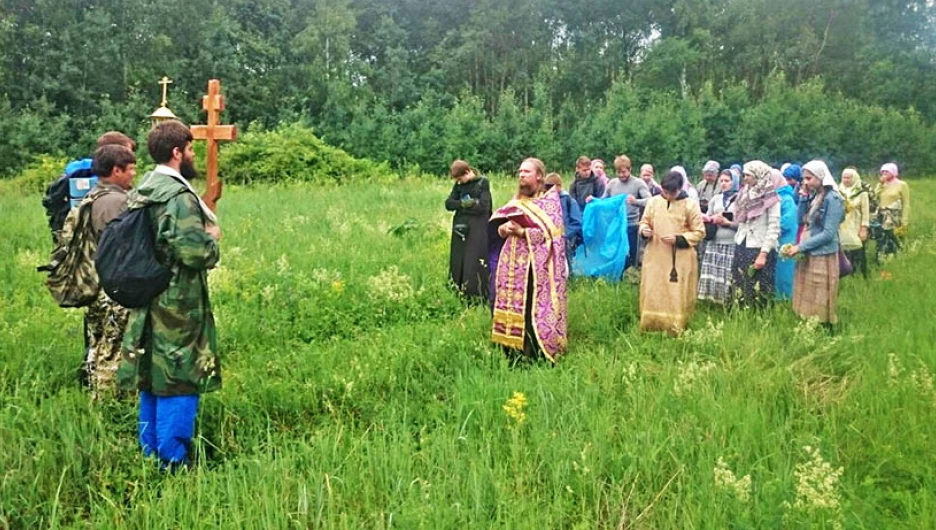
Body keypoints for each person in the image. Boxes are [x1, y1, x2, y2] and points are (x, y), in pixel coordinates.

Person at [118, 120, 222, 470]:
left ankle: (149, 452)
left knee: (152, 373)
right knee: (180, 374)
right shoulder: (177, 196)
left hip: (147, 293)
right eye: (190, 149)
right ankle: (173, 462)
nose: (193, 155)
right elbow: (193, 253)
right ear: (177, 152)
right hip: (177, 301)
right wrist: (213, 241)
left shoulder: (144, 187)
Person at [489, 158, 568, 363]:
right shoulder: (517, 201)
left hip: (535, 266)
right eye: (520, 172)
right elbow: (499, 228)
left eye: (527, 172)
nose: (521, 175)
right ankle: (511, 351)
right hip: (511, 264)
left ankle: (534, 352)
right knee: (510, 305)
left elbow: (553, 236)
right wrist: (504, 229)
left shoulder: (549, 203)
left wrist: (523, 231)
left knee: (529, 306)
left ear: (539, 175)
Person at [83, 144, 137, 398]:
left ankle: (93, 391)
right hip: (114, 287)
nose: (133, 175)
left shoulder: (93, 196)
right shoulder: (117, 202)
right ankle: (107, 406)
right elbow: (126, 245)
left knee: (97, 343)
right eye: (130, 170)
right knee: (113, 348)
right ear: (116, 170)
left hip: (94, 284)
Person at [638, 171, 706, 334]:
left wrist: (679, 238)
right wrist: (644, 230)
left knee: (676, 292)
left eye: (671, 192)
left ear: (679, 189)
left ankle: (675, 326)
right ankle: (651, 324)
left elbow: (699, 232)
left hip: (679, 259)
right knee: (653, 288)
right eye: (665, 191)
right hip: (655, 254)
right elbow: (644, 222)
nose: (667, 195)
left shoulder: (690, 205)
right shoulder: (653, 202)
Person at [785, 160, 845, 327]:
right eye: (804, 179)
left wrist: (800, 247)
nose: (805, 182)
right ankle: (807, 323)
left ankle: (824, 327)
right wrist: (803, 198)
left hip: (823, 253)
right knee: (807, 290)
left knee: (820, 293)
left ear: (820, 177)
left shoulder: (833, 199)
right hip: (809, 249)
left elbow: (828, 233)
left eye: (809, 178)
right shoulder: (814, 195)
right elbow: (801, 220)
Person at [729, 161, 780, 308]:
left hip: (759, 247)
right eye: (744, 175)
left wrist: (763, 254)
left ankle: (758, 318)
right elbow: (740, 220)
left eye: (748, 175)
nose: (745, 178)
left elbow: (773, 227)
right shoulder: (744, 194)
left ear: (758, 175)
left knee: (759, 287)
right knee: (739, 282)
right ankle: (738, 313)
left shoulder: (771, 198)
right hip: (742, 243)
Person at [445, 160, 492, 301]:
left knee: (474, 260)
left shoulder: (482, 183)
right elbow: (449, 204)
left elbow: (483, 207)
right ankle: (457, 289)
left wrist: (462, 206)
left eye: (460, 178)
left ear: (467, 172)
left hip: (478, 228)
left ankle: (476, 294)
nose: (459, 182)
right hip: (461, 228)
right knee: (458, 259)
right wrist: (466, 203)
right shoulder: (459, 185)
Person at [602, 155, 652, 269]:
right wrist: (593, 201)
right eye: (618, 172)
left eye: (624, 172)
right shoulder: (612, 183)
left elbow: (650, 200)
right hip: (616, 225)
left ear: (630, 169)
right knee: (615, 252)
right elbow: (603, 201)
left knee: (631, 254)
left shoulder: (638, 183)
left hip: (632, 225)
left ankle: (632, 275)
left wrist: (636, 201)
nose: (621, 175)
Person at [697, 169, 739, 304]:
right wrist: (710, 218)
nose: (723, 184)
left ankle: (727, 301)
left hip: (731, 242)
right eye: (721, 181)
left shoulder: (740, 199)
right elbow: (707, 216)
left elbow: (743, 224)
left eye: (727, 181)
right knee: (713, 272)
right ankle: (711, 301)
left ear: (734, 182)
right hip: (715, 240)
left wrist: (728, 223)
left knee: (727, 274)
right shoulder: (716, 198)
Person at [545, 173, 582, 274]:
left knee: (566, 262)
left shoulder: (569, 201)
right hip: (549, 238)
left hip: (566, 238)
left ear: (559, 186)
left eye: (551, 187)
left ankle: (569, 282)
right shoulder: (545, 201)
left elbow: (577, 222)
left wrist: (564, 234)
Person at [837, 167, 870, 278]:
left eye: (848, 178)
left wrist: (864, 228)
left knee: (858, 251)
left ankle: (860, 274)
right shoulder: (838, 191)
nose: (846, 180)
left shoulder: (861, 193)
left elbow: (865, 212)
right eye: (844, 177)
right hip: (842, 226)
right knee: (844, 250)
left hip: (856, 224)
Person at [873, 162, 910, 259]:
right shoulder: (881, 185)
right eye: (882, 172)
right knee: (881, 238)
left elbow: (906, 203)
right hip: (881, 215)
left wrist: (904, 219)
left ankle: (898, 256)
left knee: (893, 237)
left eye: (887, 171)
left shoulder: (902, 184)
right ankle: (880, 257)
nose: (884, 173)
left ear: (893, 172)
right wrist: (880, 185)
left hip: (894, 216)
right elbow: (874, 197)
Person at [774, 169, 800, 299]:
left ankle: (785, 297)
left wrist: (771, 229)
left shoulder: (786, 199)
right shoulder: (772, 198)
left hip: (785, 239)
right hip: (775, 239)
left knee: (785, 270)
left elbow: (788, 221)